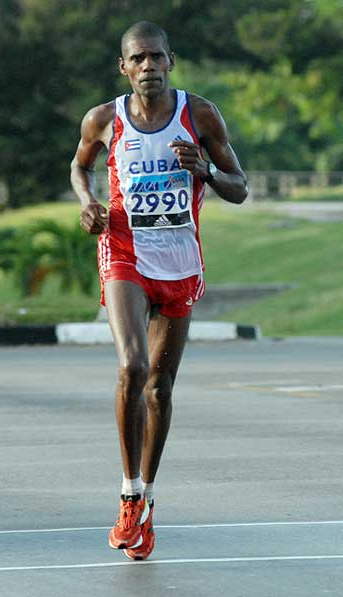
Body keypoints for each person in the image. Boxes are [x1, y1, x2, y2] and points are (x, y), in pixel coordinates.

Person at [70, 20, 248, 561]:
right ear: (124, 67)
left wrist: (206, 174)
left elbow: (239, 187)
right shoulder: (104, 119)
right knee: (133, 367)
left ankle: (146, 500)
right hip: (124, 250)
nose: (148, 67)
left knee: (160, 389)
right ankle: (127, 495)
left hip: (180, 261)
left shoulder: (200, 115)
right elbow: (78, 168)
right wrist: (87, 204)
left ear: (172, 61)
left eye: (157, 57)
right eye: (138, 59)